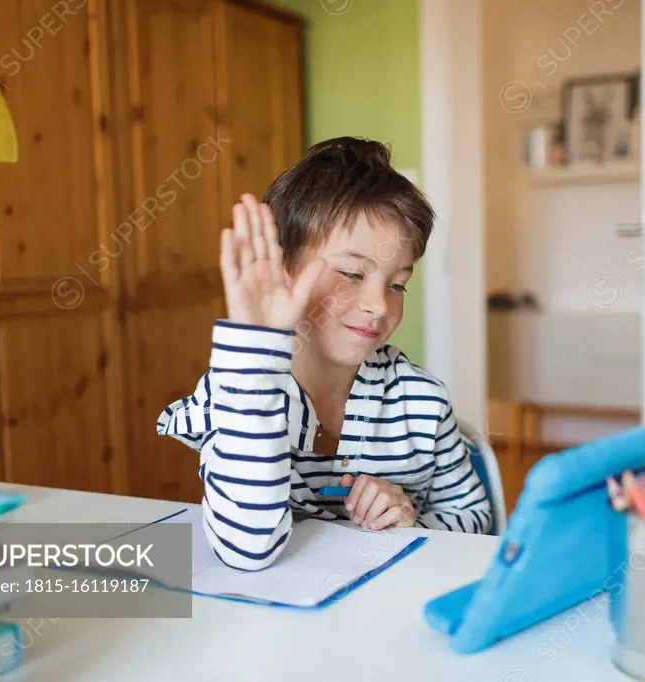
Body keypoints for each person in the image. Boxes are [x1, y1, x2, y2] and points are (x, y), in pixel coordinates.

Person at [157, 137, 492, 571]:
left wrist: (413, 520)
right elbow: (247, 549)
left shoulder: (421, 402)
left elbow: (476, 522)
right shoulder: (239, 389)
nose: (378, 304)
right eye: (352, 273)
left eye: (397, 283)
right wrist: (255, 345)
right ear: (284, 269)